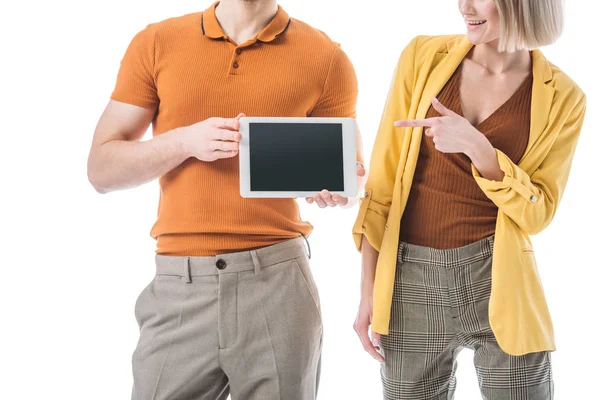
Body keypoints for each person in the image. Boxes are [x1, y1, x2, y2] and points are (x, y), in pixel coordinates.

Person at [87, 0, 364, 398]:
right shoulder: (156, 42)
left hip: (279, 285)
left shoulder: (326, 57)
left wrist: (340, 190)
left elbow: (351, 175)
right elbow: (101, 170)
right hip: (179, 286)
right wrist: (184, 141)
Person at [352, 0, 585, 398]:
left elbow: (539, 211)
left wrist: (482, 151)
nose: (464, 6)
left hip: (499, 280)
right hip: (410, 281)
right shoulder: (423, 57)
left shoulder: (563, 96)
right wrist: (367, 292)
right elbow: (383, 187)